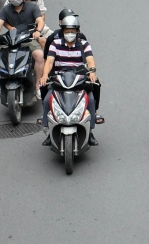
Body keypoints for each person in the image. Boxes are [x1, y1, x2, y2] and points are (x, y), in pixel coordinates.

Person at [38, 14, 102, 145]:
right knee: (46, 100)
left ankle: (90, 131)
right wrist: (44, 76)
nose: (70, 34)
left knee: (90, 99)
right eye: (67, 31)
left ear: (78, 31)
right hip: (59, 78)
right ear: (62, 31)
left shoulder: (84, 44)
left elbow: (90, 61)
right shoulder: (55, 44)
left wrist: (92, 72)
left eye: (73, 31)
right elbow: (49, 62)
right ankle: (50, 131)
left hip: (79, 78)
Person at [0, 0, 46, 91]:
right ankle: (2, 84)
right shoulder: (6, 9)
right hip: (11, 38)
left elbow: (40, 21)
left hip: (28, 38)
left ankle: (37, 85)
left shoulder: (32, 6)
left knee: (39, 55)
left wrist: (38, 31)